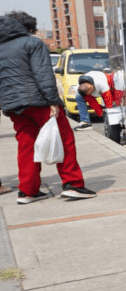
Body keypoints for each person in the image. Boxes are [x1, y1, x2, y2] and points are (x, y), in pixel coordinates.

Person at [0, 11, 96, 203]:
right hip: (39, 102)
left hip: (13, 106)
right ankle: (73, 184)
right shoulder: (32, 43)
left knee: (26, 145)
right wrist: (53, 100)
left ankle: (27, 191)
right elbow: (43, 74)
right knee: (65, 139)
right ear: (28, 29)